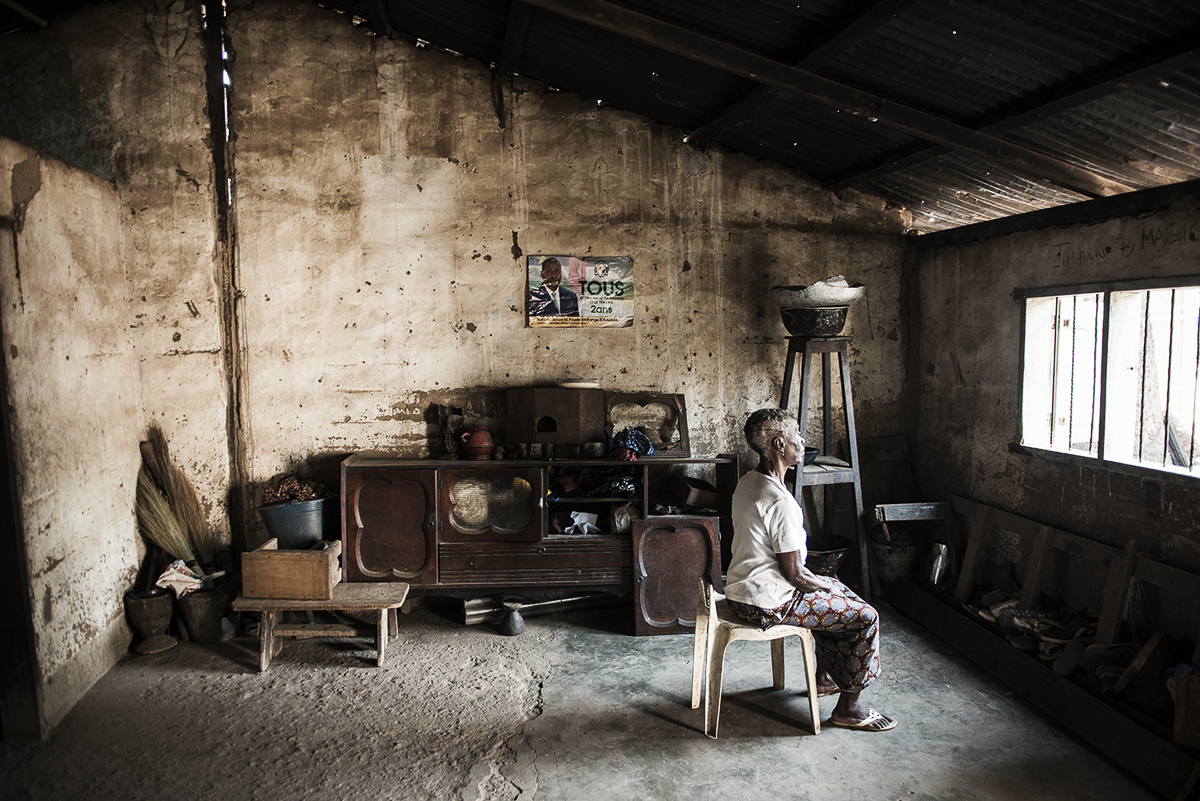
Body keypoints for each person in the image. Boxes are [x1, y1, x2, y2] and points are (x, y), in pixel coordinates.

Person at [723, 407, 897, 731]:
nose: (802, 442)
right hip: (767, 603)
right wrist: (823, 585)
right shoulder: (779, 501)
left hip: (740, 590)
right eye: (796, 437)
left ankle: (826, 677)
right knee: (865, 616)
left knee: (837, 594)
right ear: (778, 445)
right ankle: (849, 708)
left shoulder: (749, 481)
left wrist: (825, 584)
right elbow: (794, 576)